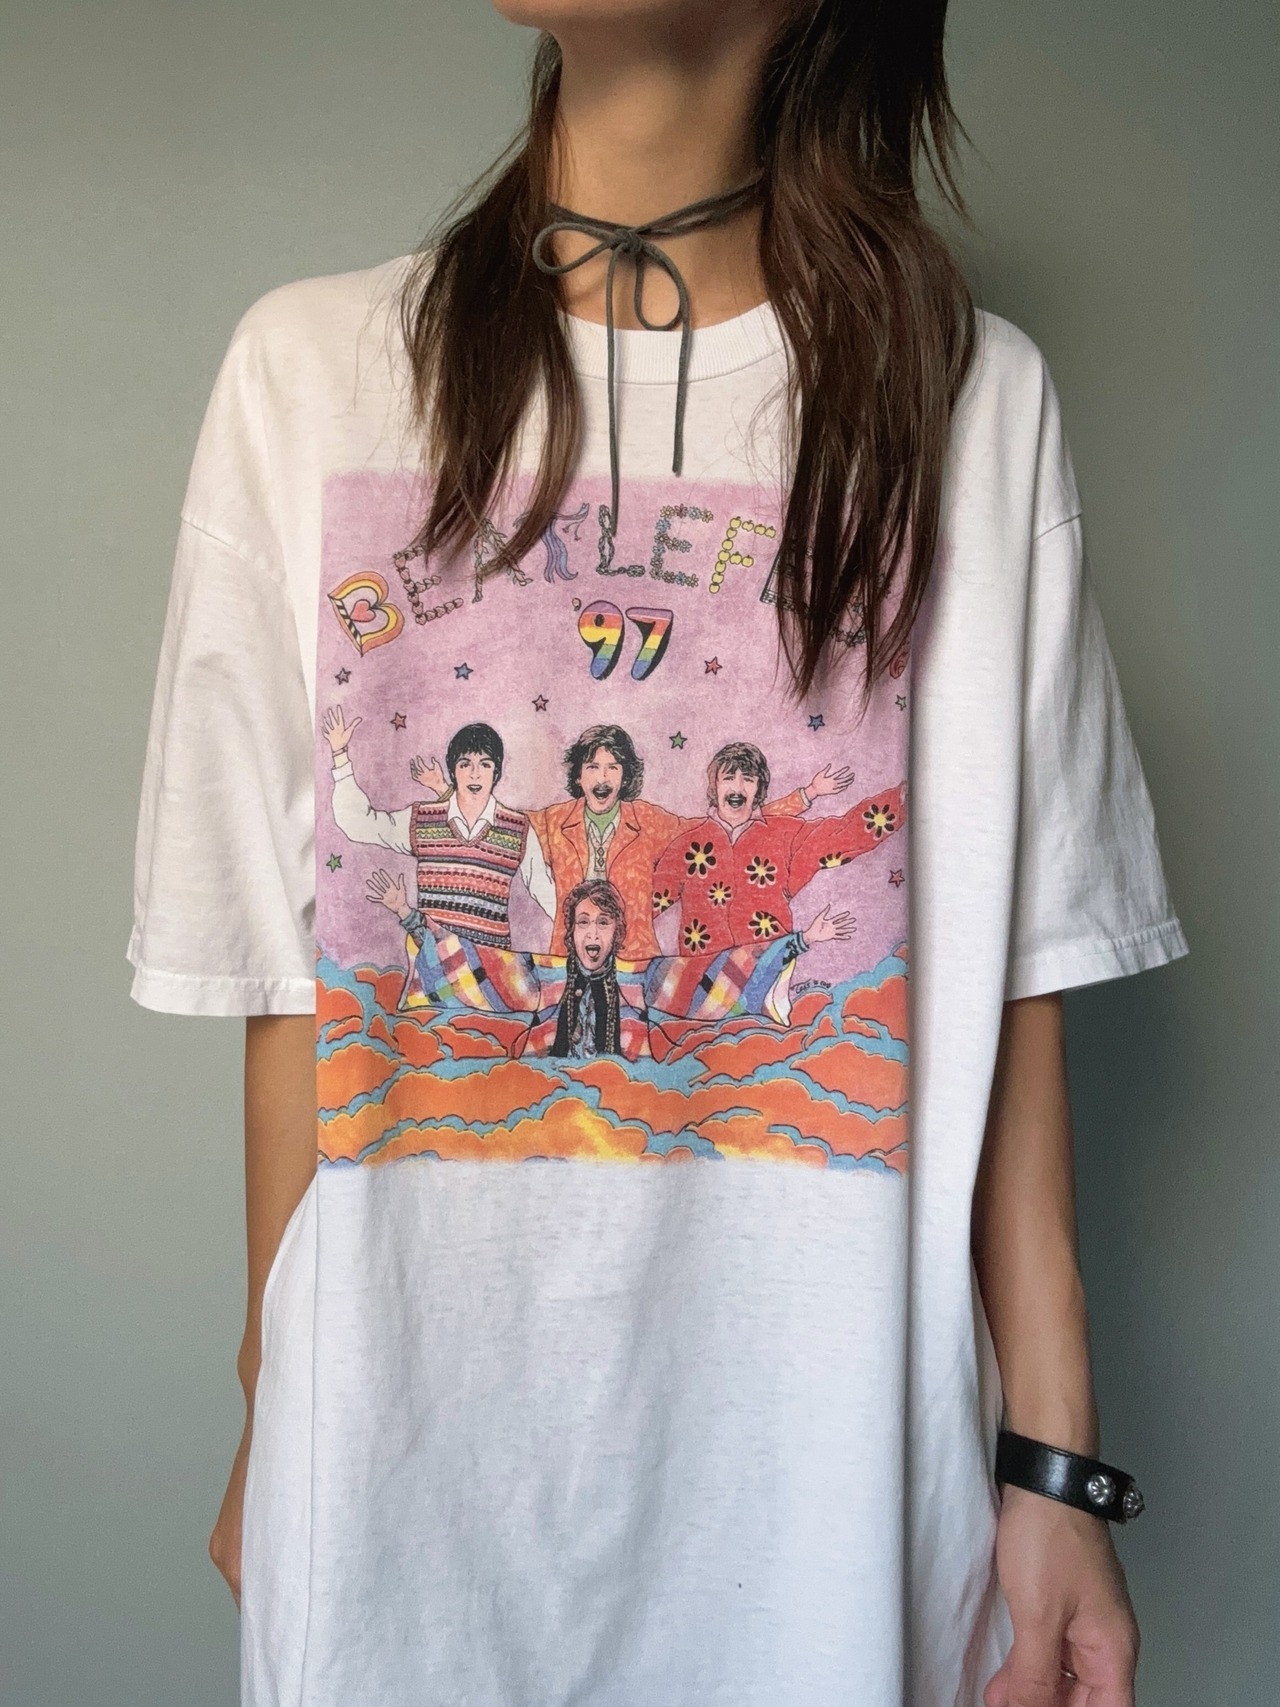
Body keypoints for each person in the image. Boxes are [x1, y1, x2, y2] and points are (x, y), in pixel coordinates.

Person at [125, 4, 1189, 1705]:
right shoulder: (305, 373)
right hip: (399, 1492)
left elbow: (1013, 970)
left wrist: (1055, 1471)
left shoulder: (972, 402)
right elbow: (295, 991)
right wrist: (275, 1407)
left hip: (828, 1503)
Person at [366, 869, 852, 1060]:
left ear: (617, 933)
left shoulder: (642, 979)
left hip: (625, 1099)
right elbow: (474, 966)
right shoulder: (545, 975)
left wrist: (802, 942)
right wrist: (408, 917)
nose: (592, 934)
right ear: (570, 932)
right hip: (547, 1094)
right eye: (583, 923)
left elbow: (712, 977)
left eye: (603, 923)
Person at [527, 721, 852, 958]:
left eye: (613, 768)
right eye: (592, 767)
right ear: (578, 775)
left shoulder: (648, 821)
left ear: (624, 777)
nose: (602, 777)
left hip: (634, 958)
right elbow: (507, 822)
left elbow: (721, 823)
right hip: (569, 957)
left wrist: (804, 797)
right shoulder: (552, 821)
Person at [323, 708, 557, 946]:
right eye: (465, 764)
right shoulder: (422, 820)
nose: (475, 774)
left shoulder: (518, 829)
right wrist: (340, 755)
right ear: (453, 771)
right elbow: (359, 824)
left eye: (485, 765)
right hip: (434, 962)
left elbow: (548, 894)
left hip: (492, 964)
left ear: (496, 772)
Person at [652, 738, 905, 953]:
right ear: (715, 786)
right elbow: (644, 904)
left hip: (768, 970)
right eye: (728, 778)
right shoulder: (686, 846)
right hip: (702, 975)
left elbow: (842, 835)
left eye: (748, 780)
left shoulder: (784, 835)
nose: (737, 788)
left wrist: (899, 802)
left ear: (759, 788)